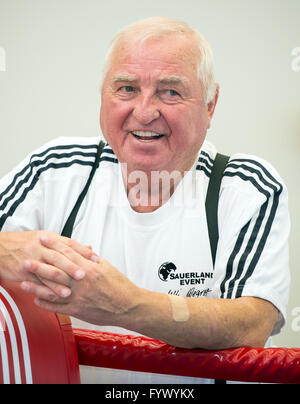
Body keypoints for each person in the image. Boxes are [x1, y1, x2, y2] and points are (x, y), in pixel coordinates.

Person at [0, 17, 290, 384]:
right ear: (102, 95)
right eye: (126, 88)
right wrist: (9, 252)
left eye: (170, 92)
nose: (145, 111)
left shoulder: (246, 186)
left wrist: (125, 304)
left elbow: (252, 324)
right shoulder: (54, 169)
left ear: (210, 105)